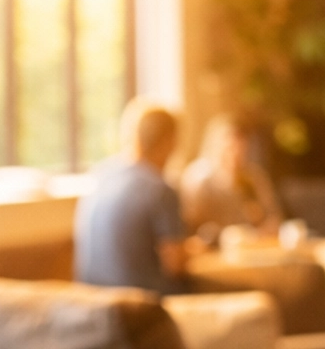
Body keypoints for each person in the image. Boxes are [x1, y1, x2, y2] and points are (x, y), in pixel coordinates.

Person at [74, 99, 190, 294]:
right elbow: (175, 265)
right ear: (169, 141)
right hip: (143, 304)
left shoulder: (99, 175)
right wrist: (191, 252)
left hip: (93, 301)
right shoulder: (161, 190)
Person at [180, 114, 282, 242]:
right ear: (215, 145)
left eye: (241, 148)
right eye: (230, 148)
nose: (236, 153)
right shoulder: (198, 178)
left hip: (252, 247)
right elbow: (191, 226)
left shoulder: (253, 177)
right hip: (213, 249)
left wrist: (264, 227)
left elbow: (273, 216)